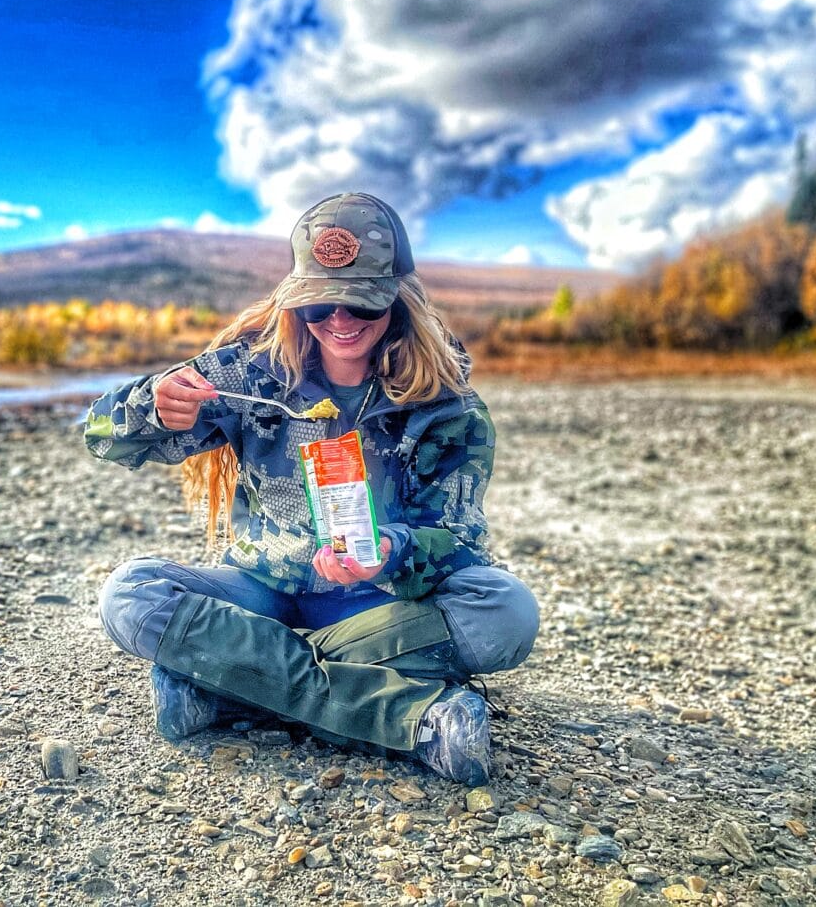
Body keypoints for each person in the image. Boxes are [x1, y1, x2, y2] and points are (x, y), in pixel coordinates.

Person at [83, 192, 538, 786]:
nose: (339, 321)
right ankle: (410, 713)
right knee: (130, 594)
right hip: (263, 588)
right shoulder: (248, 375)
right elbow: (98, 433)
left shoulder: (447, 408)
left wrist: (392, 551)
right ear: (297, 300)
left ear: (398, 301)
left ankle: (229, 683)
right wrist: (151, 406)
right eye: (320, 305)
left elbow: (458, 540)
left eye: (361, 304)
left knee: (506, 611)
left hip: (383, 604)